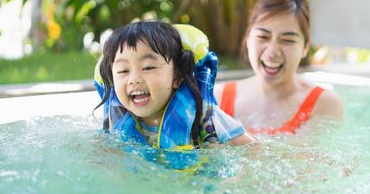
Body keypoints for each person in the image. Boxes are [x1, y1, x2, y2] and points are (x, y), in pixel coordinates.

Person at [94, 21, 253, 164]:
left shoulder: (207, 119)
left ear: (177, 76)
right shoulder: (114, 123)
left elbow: (254, 150)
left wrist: (221, 156)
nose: (134, 79)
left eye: (148, 67)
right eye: (123, 70)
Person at [214, 0, 343, 134]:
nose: (273, 51)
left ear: (305, 48)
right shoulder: (218, 99)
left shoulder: (324, 104)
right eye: (263, 37)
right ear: (247, 40)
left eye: (287, 40)